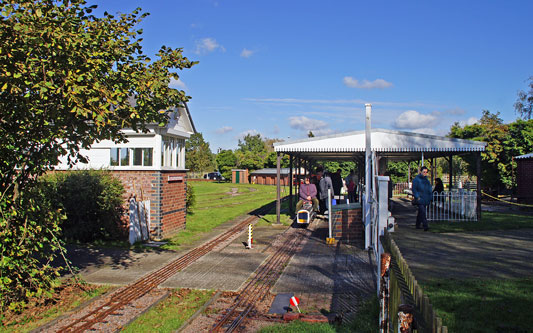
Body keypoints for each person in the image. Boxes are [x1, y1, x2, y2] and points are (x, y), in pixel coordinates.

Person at [412, 166, 432, 231]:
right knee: (423, 212)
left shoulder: (426, 180)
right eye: (424, 172)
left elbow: (429, 189)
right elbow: (414, 189)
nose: (425, 173)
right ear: (421, 171)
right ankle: (425, 225)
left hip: (426, 198)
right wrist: (417, 197)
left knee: (421, 212)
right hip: (420, 199)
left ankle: (417, 225)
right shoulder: (416, 179)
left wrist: (430, 196)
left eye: (426, 172)